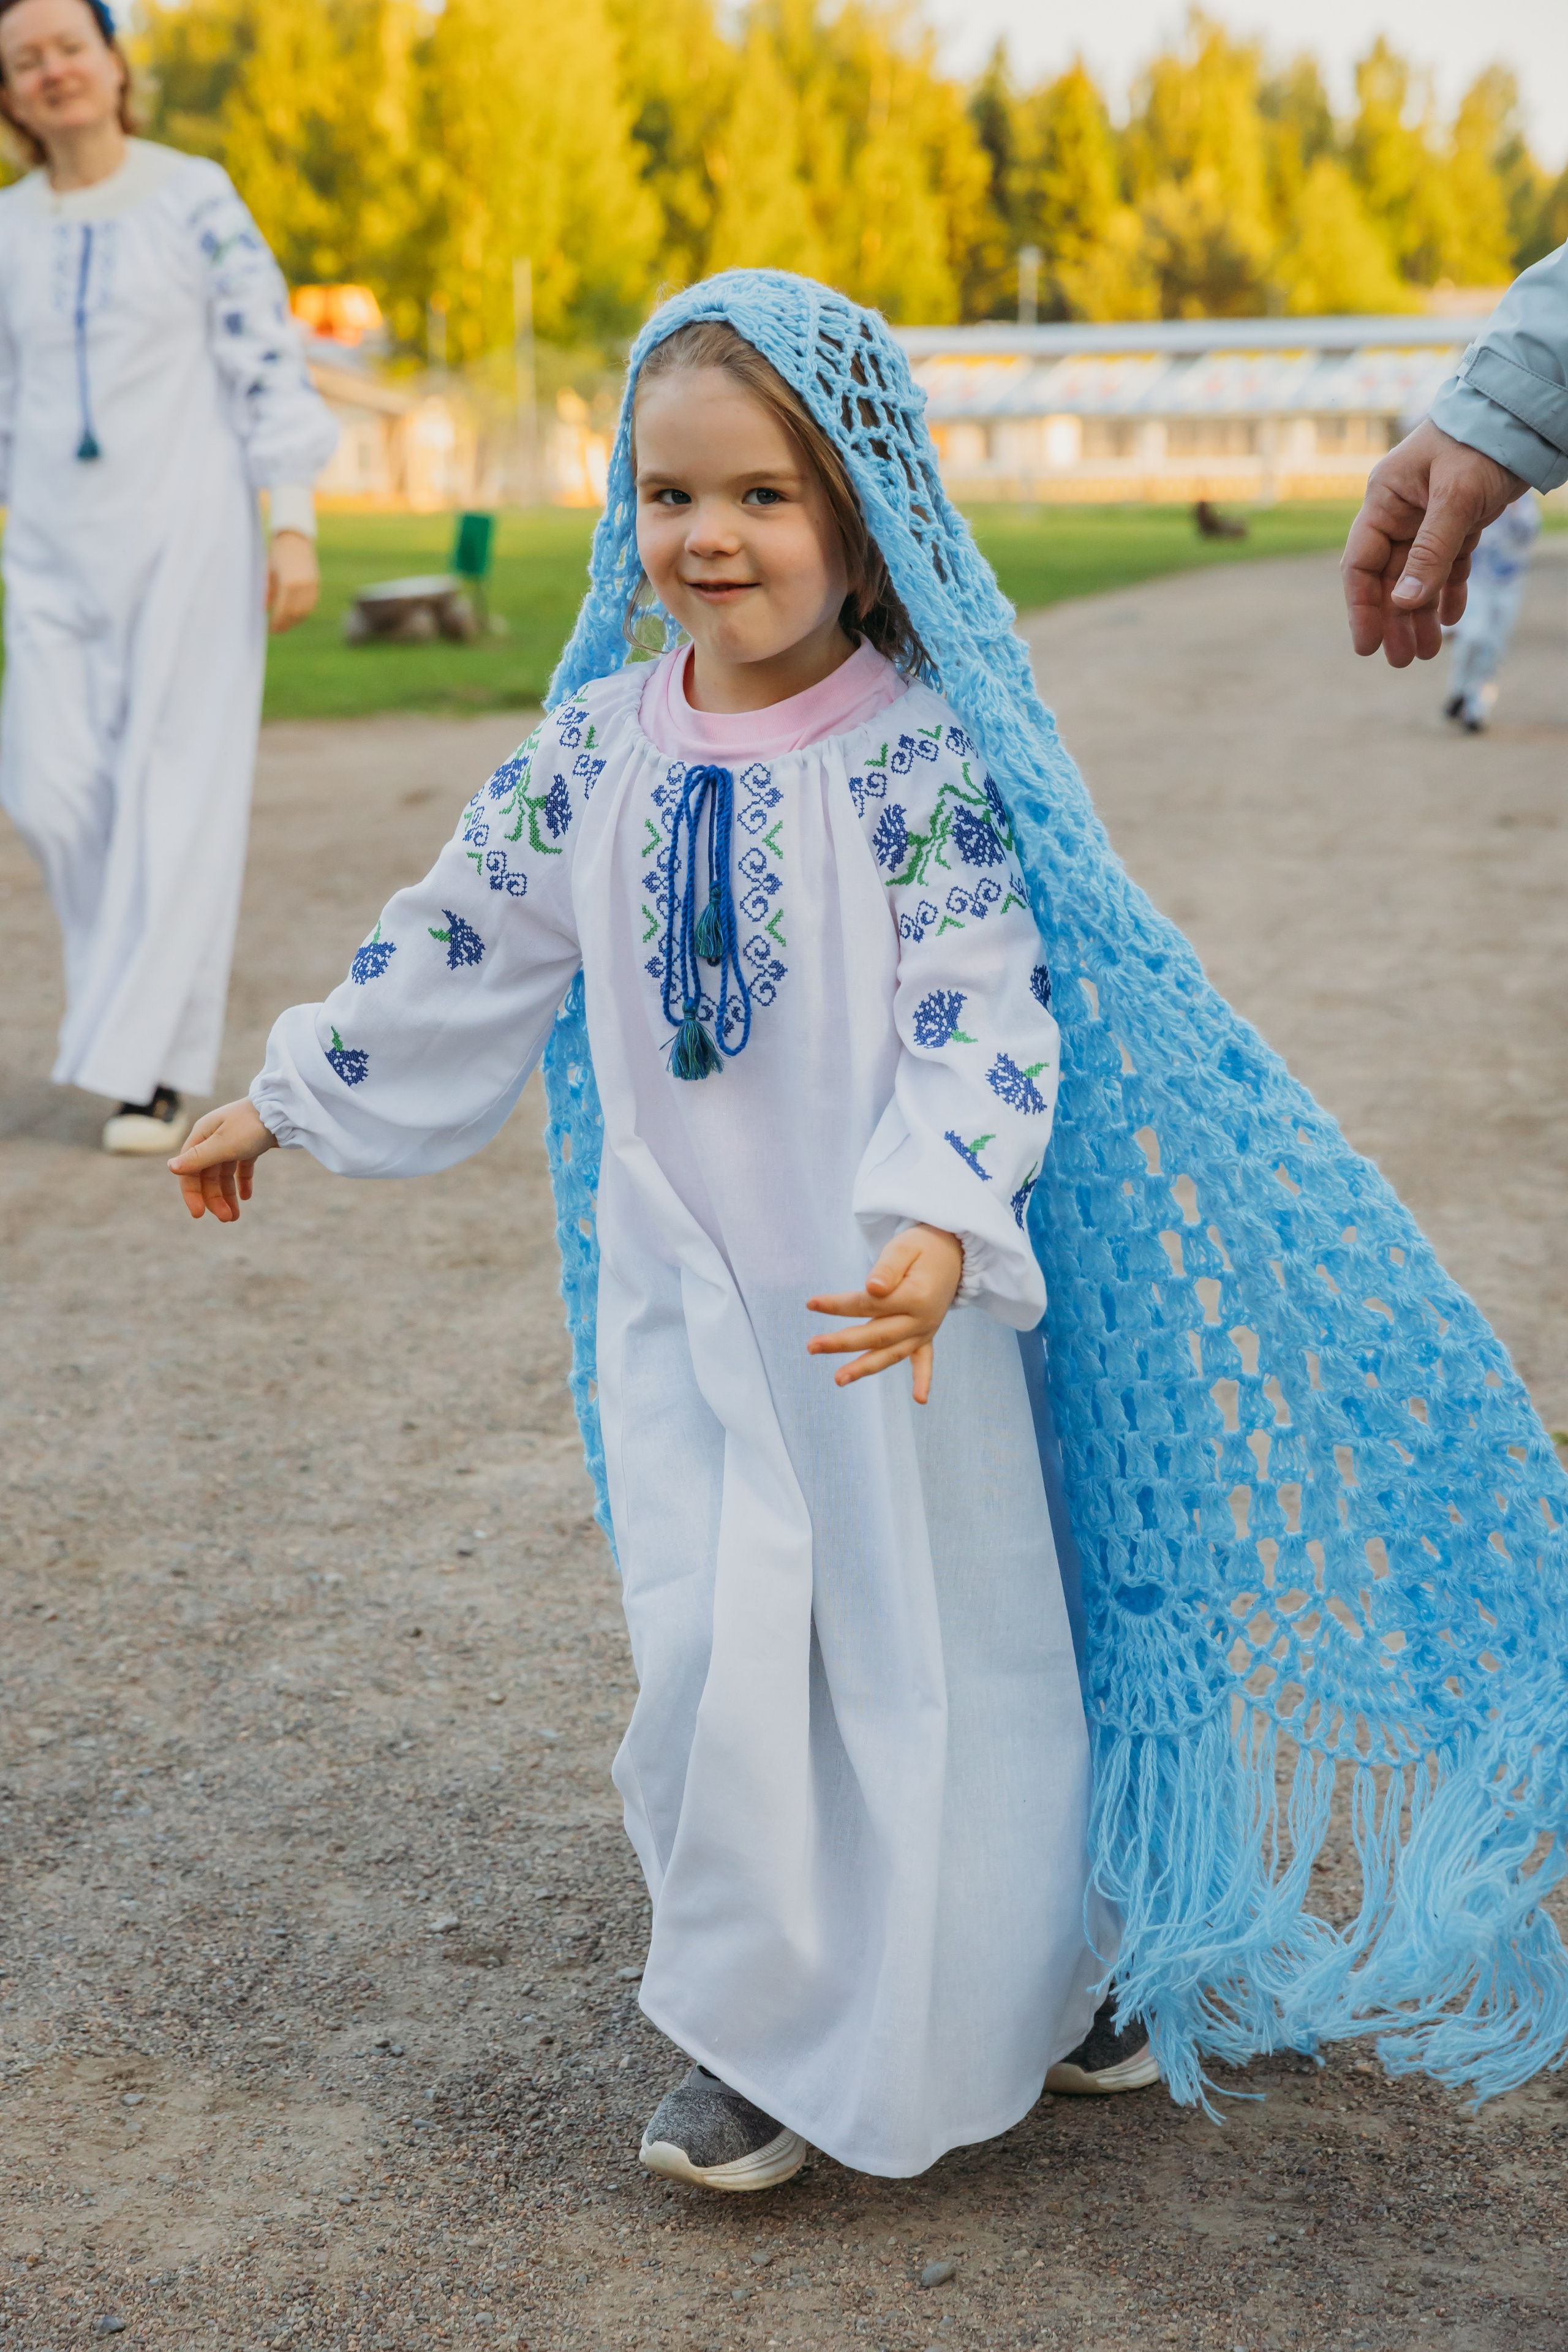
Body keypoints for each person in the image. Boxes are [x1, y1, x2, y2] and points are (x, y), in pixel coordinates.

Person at [170, 272, 1568, 2185]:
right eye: (668, 497)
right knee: (711, 1663)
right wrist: (297, 1088)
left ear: (856, 515)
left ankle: (1031, 1965)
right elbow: (457, 934)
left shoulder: (911, 762)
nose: (707, 538)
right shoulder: (594, 747)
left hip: (892, 1316)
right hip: (693, 1302)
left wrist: (934, 1217)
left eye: (758, 496)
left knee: (950, 1661)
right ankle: (752, 2029)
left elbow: (985, 1008)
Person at [0, 0, 337, 1154]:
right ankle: (122, 1033)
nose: (52, 72)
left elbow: (266, 353)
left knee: (175, 797)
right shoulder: (8, 231)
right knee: (48, 793)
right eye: (24, 59)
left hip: (189, 543)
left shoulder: (194, 195)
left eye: (69, 47)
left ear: (112, 59)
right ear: (7, 91)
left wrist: (289, 519)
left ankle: (148, 1070)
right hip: (47, 557)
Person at [1342, 241, 1567, 665]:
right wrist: (1488, 424)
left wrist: (1489, 419)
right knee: (1486, 606)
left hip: (1500, 507)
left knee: (1492, 606)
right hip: (1487, 497)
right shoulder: (1434, 398)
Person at [1443, 495, 1540, 731]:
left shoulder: (1524, 499)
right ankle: (1459, 690)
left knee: (1493, 649)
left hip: (1509, 585)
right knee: (1472, 638)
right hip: (1477, 580)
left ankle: (1475, 710)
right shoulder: (1482, 493)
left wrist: (1515, 508)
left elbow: (1529, 532)